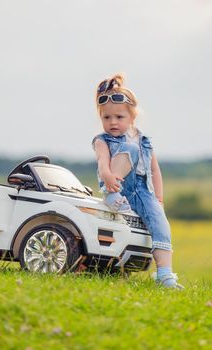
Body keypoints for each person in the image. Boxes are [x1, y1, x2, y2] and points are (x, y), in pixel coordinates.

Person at [92, 73, 184, 289]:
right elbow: (102, 160)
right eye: (106, 118)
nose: (112, 122)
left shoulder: (144, 141)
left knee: (161, 224)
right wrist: (107, 176)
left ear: (132, 117)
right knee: (129, 150)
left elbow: (154, 170)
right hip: (118, 187)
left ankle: (164, 274)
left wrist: (159, 198)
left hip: (143, 192)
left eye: (119, 117)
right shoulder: (102, 140)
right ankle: (111, 194)